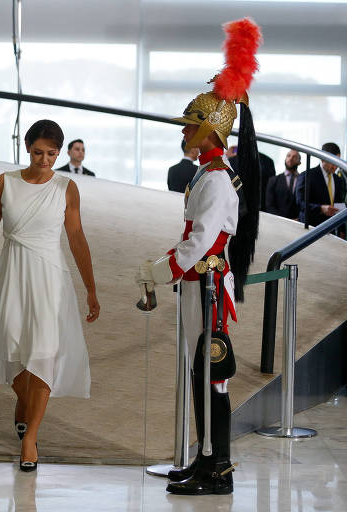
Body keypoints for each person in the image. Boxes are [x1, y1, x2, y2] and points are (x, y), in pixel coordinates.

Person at [137, 18, 262, 496]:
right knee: (200, 371)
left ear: (208, 131)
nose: (184, 133)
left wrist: (158, 269)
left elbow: (203, 242)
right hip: (198, 283)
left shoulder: (213, 180)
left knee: (212, 372)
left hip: (207, 284)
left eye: (190, 126)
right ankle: (204, 457)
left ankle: (218, 469)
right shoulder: (206, 176)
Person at [0, 119, 100, 472]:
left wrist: (91, 289)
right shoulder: (7, 183)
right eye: (38, 152)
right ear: (27, 148)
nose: (44, 159)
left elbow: (76, 238)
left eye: (52, 153)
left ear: (60, 153)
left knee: (45, 353)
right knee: (11, 347)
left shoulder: (67, 187)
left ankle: (31, 437)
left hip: (50, 279)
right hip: (12, 274)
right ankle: (23, 399)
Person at [295, 142, 346, 227]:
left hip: (331, 230)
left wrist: (341, 229)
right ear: (322, 159)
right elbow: (300, 203)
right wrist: (321, 209)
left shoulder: (338, 180)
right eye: (332, 162)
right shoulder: (307, 175)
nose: (335, 167)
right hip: (311, 229)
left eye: (337, 162)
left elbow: (339, 205)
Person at [230, 144, 275, 210]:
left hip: (256, 207)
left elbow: (269, 186)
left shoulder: (268, 161)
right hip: (239, 206)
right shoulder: (232, 160)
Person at [265, 149, 301, 219]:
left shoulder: (304, 181)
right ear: (285, 159)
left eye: (294, 157)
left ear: (299, 162)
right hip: (278, 222)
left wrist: (299, 218)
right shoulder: (273, 180)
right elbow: (269, 205)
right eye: (288, 156)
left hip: (298, 223)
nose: (290, 158)